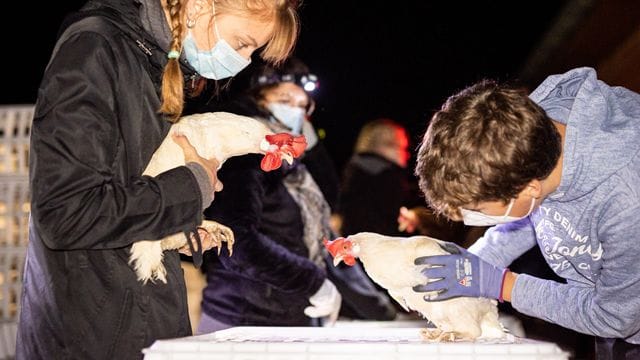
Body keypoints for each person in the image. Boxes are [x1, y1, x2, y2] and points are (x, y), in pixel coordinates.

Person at [18, 0, 300, 358]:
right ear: (198, 7)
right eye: (243, 42)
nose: (243, 61)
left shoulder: (153, 62)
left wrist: (172, 232)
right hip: (91, 337)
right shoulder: (95, 49)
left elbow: (125, 194)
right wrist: (191, 185)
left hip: (139, 326)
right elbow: (66, 212)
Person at [413, 67, 640, 359]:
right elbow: (526, 217)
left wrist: (502, 284)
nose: (473, 219)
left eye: (478, 210)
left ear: (530, 187)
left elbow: (616, 317)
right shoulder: (524, 137)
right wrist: (470, 265)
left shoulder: (626, 200)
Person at [196, 58, 396, 333]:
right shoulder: (246, 152)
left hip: (292, 317)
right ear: (259, 100)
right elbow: (235, 240)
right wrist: (312, 281)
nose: (294, 111)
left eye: (302, 106)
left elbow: (325, 212)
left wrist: (313, 149)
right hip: (244, 320)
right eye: (285, 99)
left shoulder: (291, 161)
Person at [335, 118, 421, 238]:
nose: (407, 154)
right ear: (385, 146)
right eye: (403, 147)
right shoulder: (388, 178)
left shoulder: (354, 172)